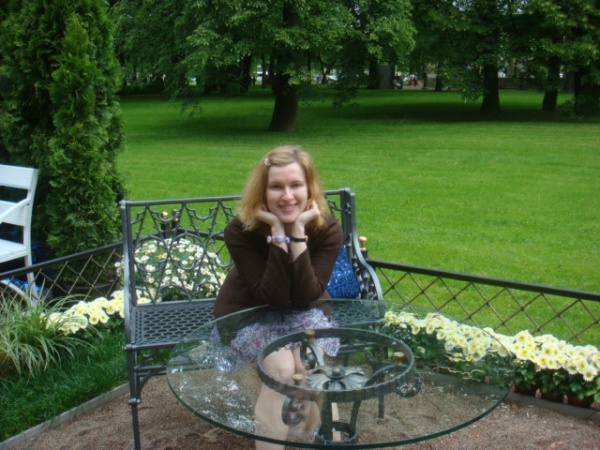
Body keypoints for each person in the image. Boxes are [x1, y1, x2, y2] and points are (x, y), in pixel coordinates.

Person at [214, 145, 343, 449]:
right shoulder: (240, 230)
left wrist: (297, 234)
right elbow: (271, 297)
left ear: (309, 188)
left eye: (296, 185)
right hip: (251, 312)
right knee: (283, 371)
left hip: (305, 311)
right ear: (263, 191)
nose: (287, 196)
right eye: (276, 187)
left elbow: (306, 297)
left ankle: (328, 442)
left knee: (313, 367)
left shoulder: (327, 230)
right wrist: (277, 233)